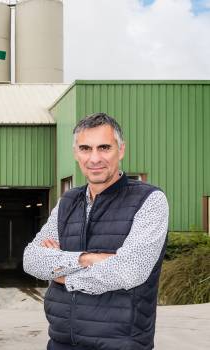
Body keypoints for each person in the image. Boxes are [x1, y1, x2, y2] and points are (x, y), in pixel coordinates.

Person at [23, 113, 169, 350]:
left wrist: (60, 273)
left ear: (120, 150)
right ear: (76, 153)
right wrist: (87, 259)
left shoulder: (149, 200)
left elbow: (129, 271)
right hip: (61, 341)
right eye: (85, 148)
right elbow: (31, 259)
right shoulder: (67, 201)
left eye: (104, 147)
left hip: (120, 343)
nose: (94, 158)